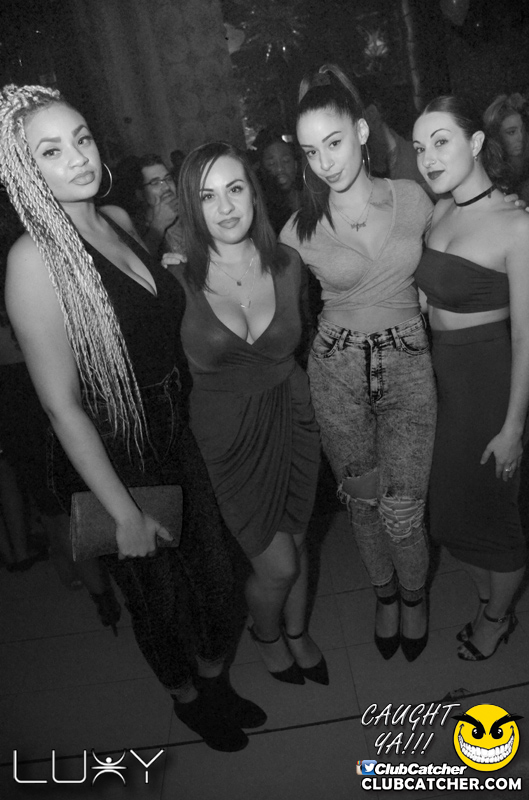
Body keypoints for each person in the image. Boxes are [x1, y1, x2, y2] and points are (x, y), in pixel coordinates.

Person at [0, 83, 266, 751]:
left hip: (175, 428)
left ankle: (213, 680)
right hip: (112, 450)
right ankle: (188, 698)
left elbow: (149, 319)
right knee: (158, 600)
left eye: (82, 139)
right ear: (25, 170)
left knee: (218, 580)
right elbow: (60, 404)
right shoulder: (32, 261)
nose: (78, 158)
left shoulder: (117, 217)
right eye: (51, 151)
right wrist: (121, 513)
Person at [280, 64, 438, 662]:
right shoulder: (299, 228)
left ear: (362, 132)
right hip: (336, 371)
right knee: (364, 504)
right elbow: (258, 288)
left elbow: (455, 249)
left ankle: (415, 597)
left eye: (335, 142)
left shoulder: (412, 199)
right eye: (311, 151)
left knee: (404, 510)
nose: (325, 162)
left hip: (409, 366)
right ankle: (385, 595)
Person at [164, 141, 326, 686]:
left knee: (298, 544)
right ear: (191, 206)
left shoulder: (289, 264)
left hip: (293, 421)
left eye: (235, 189)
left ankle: (298, 632)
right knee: (276, 565)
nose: (226, 206)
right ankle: (267, 635)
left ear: (254, 194)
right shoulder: (176, 279)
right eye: (207, 196)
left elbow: (304, 337)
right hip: (227, 441)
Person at [413, 96, 529, 661]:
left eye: (441, 142)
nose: (428, 158)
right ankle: (489, 600)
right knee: (449, 518)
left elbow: (526, 337)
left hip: (488, 387)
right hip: (443, 384)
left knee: (494, 518)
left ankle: (495, 619)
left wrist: (512, 428)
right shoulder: (439, 211)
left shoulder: (516, 224)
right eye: (420, 148)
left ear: (477, 142)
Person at [253, 127, 303, 235]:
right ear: (262, 169)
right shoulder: (260, 212)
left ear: (295, 165)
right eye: (271, 164)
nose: (280, 169)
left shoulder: (311, 200)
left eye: (286, 161)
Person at [483, 93, 529, 202]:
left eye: (523, 130)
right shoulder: (488, 175)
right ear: (496, 136)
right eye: (511, 132)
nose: (520, 137)